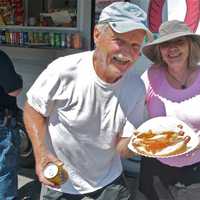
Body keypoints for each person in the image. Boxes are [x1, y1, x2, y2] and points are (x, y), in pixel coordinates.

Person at [23, 2, 152, 200]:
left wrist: (146, 145)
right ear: (97, 35)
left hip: (110, 181)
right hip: (62, 180)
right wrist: (41, 154)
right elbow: (33, 109)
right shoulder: (63, 71)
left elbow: (121, 146)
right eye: (120, 41)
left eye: (135, 45)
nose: (127, 53)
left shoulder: (136, 86)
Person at [137, 20, 200, 200]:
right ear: (159, 50)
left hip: (195, 170)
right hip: (155, 168)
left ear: (190, 45)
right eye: (165, 44)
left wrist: (194, 143)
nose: (172, 49)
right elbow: (129, 106)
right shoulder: (151, 76)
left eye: (179, 42)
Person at [0, 50, 23, 199]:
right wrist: (19, 79)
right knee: (5, 169)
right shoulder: (0, 57)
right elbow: (14, 90)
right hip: (3, 121)